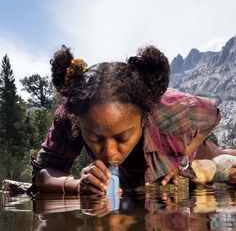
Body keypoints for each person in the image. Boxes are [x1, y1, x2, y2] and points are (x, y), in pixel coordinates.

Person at [31, 45, 224, 195]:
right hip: (135, 175)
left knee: (223, 160)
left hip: (191, 147)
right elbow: (42, 174)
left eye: (122, 138)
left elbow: (213, 115)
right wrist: (75, 185)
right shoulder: (72, 113)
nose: (110, 153)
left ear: (144, 117)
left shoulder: (172, 108)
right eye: (95, 138)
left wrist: (182, 159)